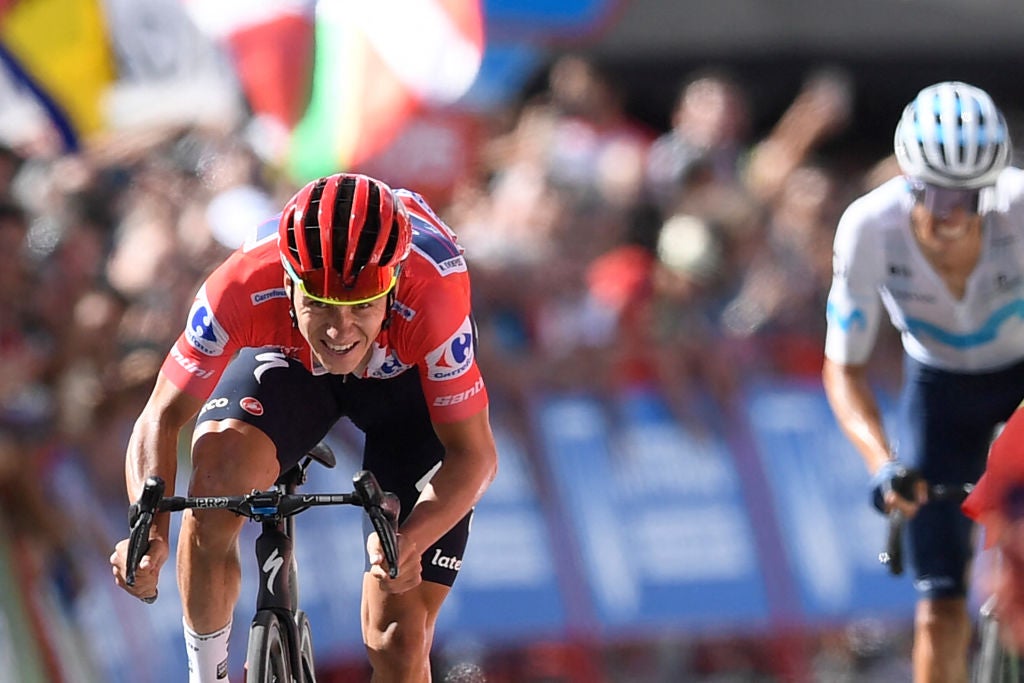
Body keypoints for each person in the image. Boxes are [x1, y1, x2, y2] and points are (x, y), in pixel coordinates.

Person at [109, 172, 499, 683]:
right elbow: (161, 415)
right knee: (216, 480)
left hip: (405, 391)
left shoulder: (433, 299)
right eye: (319, 303)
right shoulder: (244, 282)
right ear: (288, 280)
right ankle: (207, 674)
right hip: (294, 363)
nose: (340, 329)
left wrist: (411, 539)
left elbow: (474, 455)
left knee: (398, 637)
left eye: (362, 306)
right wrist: (149, 531)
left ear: (393, 287)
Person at [822, 81, 1024, 683]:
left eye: (967, 195)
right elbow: (844, 368)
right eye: (933, 191)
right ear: (906, 180)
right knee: (939, 605)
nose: (948, 212)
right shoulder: (868, 226)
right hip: (940, 391)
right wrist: (882, 464)